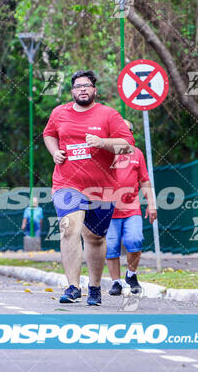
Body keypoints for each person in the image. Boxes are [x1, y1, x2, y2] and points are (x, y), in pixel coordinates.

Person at [43, 70, 134, 306]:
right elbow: (48, 134)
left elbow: (127, 146)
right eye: (77, 86)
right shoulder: (59, 113)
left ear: (95, 90)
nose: (82, 89)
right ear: (72, 91)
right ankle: (72, 287)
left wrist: (103, 142)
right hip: (66, 183)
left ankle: (94, 287)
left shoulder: (109, 115)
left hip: (101, 187)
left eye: (87, 86)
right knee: (69, 229)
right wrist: (55, 152)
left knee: (95, 238)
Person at [106, 120, 157, 296]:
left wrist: (151, 204)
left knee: (135, 241)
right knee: (111, 246)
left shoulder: (137, 154)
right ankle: (116, 282)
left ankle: (131, 274)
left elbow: (144, 180)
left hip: (131, 207)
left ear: (131, 134)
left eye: (126, 131)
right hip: (108, 210)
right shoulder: (104, 154)